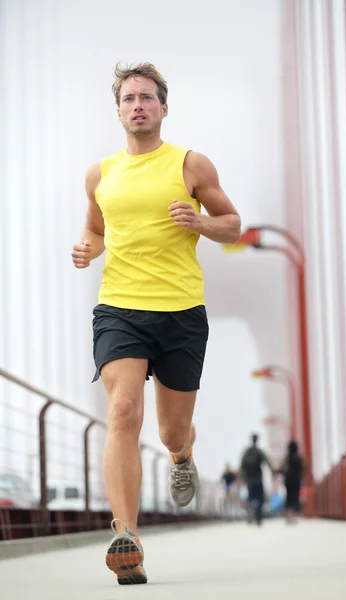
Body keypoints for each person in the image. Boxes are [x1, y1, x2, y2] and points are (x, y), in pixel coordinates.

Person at [71, 62, 241, 585]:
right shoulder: (100, 174)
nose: (138, 105)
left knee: (169, 429)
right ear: (119, 110)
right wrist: (86, 248)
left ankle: (181, 452)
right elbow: (96, 229)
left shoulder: (191, 165)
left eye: (147, 97)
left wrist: (200, 222)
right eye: (128, 99)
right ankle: (127, 537)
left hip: (181, 311)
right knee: (123, 411)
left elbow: (233, 225)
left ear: (163, 108)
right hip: (120, 306)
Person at [240, 433, 274, 525]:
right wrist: (273, 471)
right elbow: (267, 462)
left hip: (249, 479)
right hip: (258, 478)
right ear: (257, 440)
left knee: (250, 498)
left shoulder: (247, 452)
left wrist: (243, 477)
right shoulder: (259, 451)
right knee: (260, 498)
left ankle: (250, 513)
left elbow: (242, 465)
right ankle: (258, 518)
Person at [279, 440, 305, 524]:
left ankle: (288, 516)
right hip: (296, 481)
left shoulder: (287, 458)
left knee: (288, 498)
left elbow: (281, 469)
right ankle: (294, 516)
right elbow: (304, 469)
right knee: (295, 497)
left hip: (288, 481)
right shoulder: (299, 458)